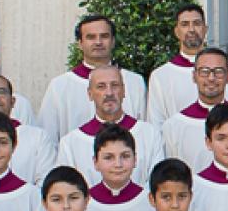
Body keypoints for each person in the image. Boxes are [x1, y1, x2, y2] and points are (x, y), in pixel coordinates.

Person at [40, 14, 152, 142]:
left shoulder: (134, 82)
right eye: (91, 37)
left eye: (104, 36)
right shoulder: (59, 86)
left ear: (113, 41)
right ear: (80, 43)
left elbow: (145, 134)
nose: (98, 42)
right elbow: (48, 138)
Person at [56, 63, 163, 188]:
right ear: (90, 94)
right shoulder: (70, 144)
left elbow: (157, 184)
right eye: (101, 87)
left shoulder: (150, 135)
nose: (109, 93)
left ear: (124, 91)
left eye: (115, 85)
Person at [160, 49, 228, 172]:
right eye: (204, 71)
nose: (211, 78)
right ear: (194, 76)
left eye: (218, 71)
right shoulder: (174, 127)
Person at [151, 4, 228, 119]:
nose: (191, 29)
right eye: (185, 24)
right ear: (176, 31)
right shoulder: (160, 76)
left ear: (205, 29)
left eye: (197, 23)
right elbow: (156, 123)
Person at [80, 126, 157, 211]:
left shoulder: (150, 203)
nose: (118, 164)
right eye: (108, 157)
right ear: (95, 162)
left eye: (125, 156)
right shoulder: (84, 203)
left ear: (135, 159)